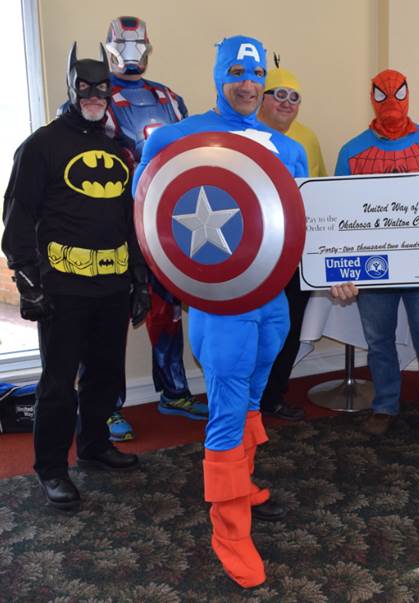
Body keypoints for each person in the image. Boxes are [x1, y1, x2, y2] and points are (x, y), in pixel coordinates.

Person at [133, 35, 308, 588]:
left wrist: (341, 272)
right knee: (228, 408)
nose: (248, 85)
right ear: (218, 75)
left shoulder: (285, 147)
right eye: (236, 73)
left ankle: (245, 485)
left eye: (256, 76)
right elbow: (150, 215)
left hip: (272, 300)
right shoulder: (178, 139)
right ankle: (229, 527)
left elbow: (309, 222)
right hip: (221, 304)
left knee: (255, 396)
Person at [2, 43, 150, 511]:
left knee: (106, 375)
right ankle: (50, 468)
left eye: (101, 88)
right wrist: (29, 283)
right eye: (85, 87)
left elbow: (131, 220)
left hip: (111, 283)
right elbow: (18, 217)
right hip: (63, 286)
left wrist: (140, 280)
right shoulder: (41, 145)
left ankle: (93, 446)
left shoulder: (117, 147)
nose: (93, 95)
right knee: (59, 382)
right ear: (71, 88)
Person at [334, 69, 419, 453]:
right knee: (379, 342)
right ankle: (385, 404)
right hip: (374, 267)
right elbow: (337, 215)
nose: (391, 102)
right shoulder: (353, 151)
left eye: (398, 94)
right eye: (383, 95)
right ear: (372, 97)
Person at [104, 16, 205, 439]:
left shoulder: (169, 97)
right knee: (108, 317)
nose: (131, 52)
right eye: (123, 44)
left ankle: (173, 391)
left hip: (162, 219)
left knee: (167, 309)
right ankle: (104, 407)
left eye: (138, 43)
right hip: (111, 224)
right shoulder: (93, 97)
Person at [257, 65, 326, 421]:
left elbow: (319, 191)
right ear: (261, 98)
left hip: (296, 253)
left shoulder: (307, 139)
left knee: (287, 327)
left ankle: (274, 395)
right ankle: (249, 400)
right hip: (254, 254)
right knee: (254, 329)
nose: (286, 103)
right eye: (278, 94)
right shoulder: (246, 135)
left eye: (293, 97)